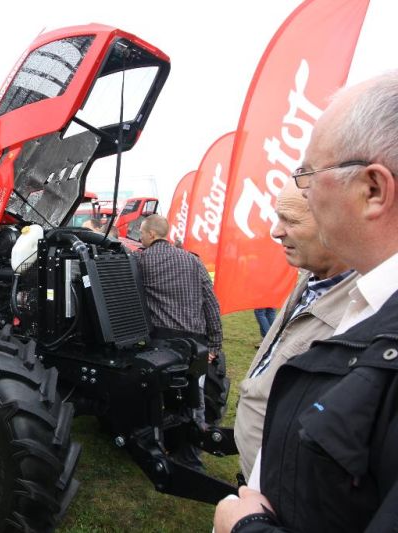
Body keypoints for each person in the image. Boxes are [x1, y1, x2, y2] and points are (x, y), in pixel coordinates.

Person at [215, 71, 398, 532]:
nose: (277, 230)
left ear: (373, 190)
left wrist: (246, 529)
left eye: (310, 176)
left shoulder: (375, 319)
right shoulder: (365, 298)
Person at [234, 182, 356, 481]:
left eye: (290, 219)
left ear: (338, 221)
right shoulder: (312, 279)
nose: (276, 231)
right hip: (259, 476)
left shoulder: (362, 309)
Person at [135, 214, 222, 469]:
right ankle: (191, 457)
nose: (140, 237)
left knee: (158, 400)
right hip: (196, 344)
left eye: (141, 233)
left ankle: (159, 451)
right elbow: (211, 304)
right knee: (196, 400)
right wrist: (214, 345)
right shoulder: (193, 261)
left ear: (151, 235)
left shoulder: (141, 261)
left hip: (162, 343)